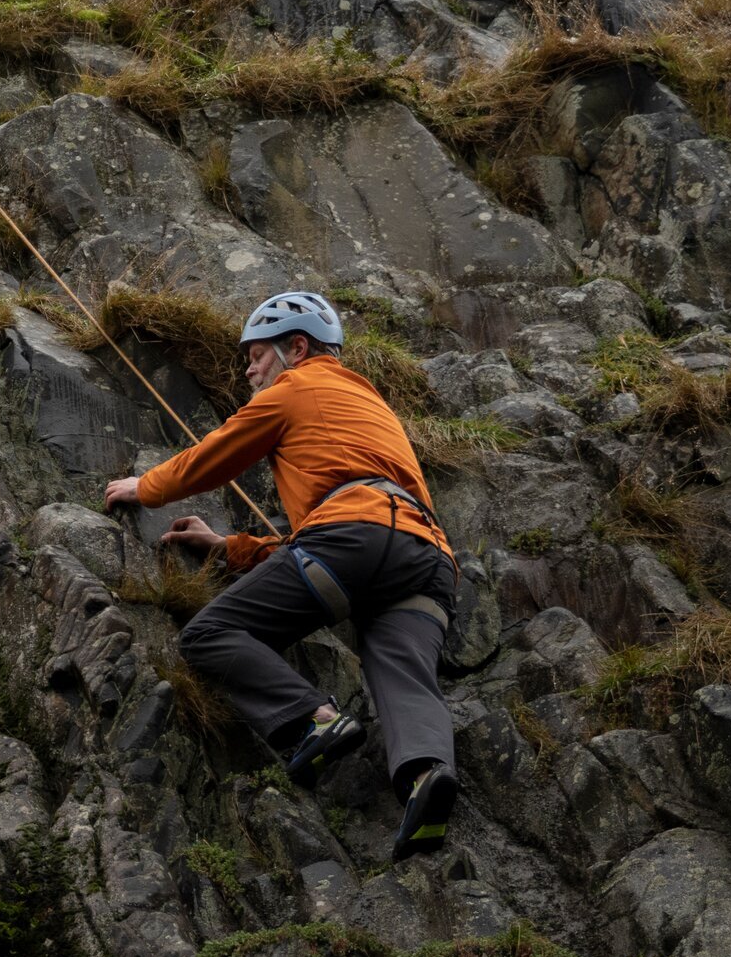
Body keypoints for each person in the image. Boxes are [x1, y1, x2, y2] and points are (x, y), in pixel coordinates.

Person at [100, 290, 463, 861]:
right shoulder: (371, 408)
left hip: (354, 539)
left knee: (208, 635)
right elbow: (353, 521)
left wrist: (142, 488)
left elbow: (215, 456)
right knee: (403, 673)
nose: (248, 368)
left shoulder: (297, 387)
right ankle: (426, 777)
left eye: (257, 355)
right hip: (428, 559)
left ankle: (314, 719)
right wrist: (233, 547)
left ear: (297, 347)